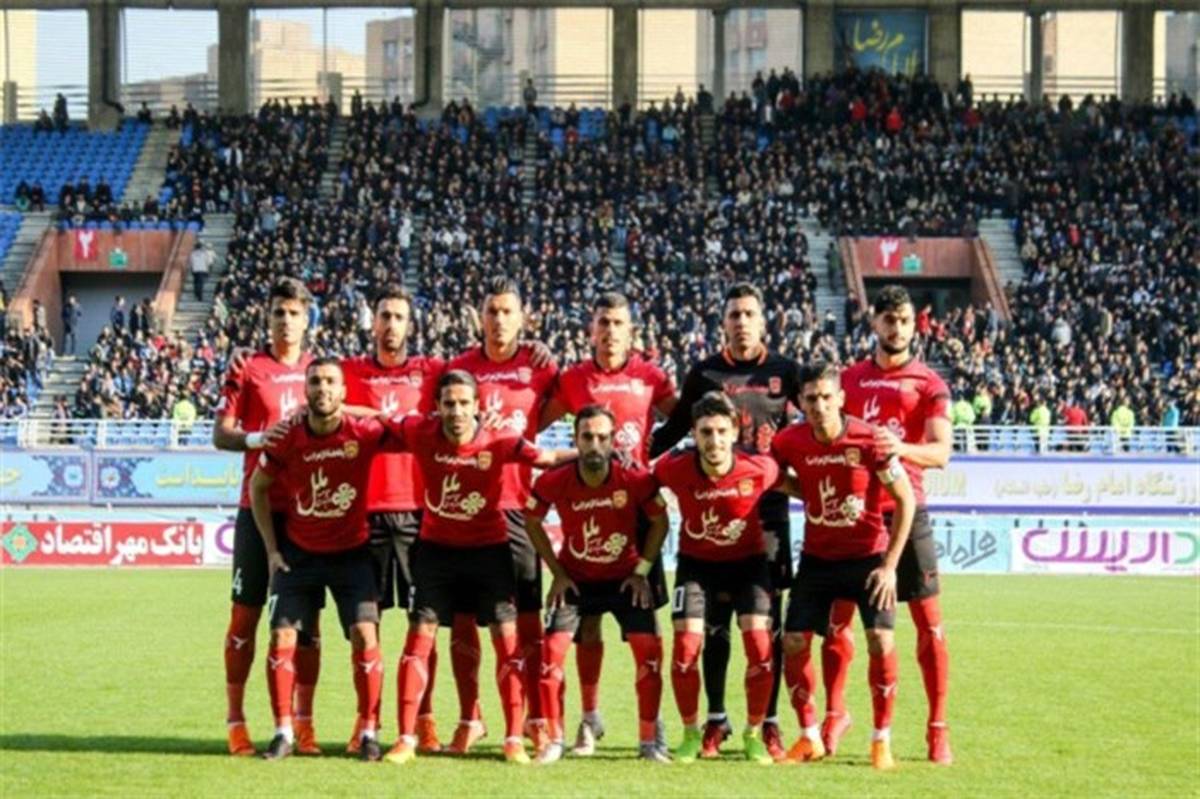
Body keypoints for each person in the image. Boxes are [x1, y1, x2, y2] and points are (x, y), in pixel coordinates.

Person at [383, 370, 575, 765]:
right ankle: (405, 739)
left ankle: (513, 739)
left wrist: (599, 451)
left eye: (463, 403)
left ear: (477, 407)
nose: (456, 411)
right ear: (437, 408)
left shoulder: (500, 439)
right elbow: (377, 419)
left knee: (507, 642)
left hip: (490, 552)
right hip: (436, 553)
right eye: (448, 404)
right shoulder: (420, 431)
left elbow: (547, 458)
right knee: (418, 640)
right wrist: (336, 407)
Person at [650, 283, 802, 760]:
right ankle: (714, 720)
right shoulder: (704, 373)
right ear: (724, 324)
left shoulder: (786, 371)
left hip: (767, 511)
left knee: (765, 628)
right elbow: (675, 428)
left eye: (749, 314)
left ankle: (768, 723)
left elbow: (817, 421)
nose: (741, 322)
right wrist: (630, 457)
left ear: (763, 321)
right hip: (711, 507)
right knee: (711, 627)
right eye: (734, 315)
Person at [536, 292, 677, 754]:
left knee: (645, 620)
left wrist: (656, 463)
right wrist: (561, 458)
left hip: (637, 506)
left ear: (630, 330)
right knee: (587, 625)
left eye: (618, 323)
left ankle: (652, 723)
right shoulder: (574, 379)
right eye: (603, 323)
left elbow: (683, 420)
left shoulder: (652, 376)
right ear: (591, 330)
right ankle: (589, 717)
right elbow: (532, 424)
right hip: (588, 497)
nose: (610, 331)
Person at [830, 284, 954, 764]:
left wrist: (898, 448)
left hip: (907, 510)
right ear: (874, 322)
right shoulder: (848, 380)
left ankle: (937, 727)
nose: (897, 328)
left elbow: (941, 453)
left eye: (904, 320)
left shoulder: (929, 384)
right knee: (838, 621)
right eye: (889, 320)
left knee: (929, 625)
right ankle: (836, 715)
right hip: (856, 514)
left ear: (913, 324)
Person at [771, 362, 916, 770]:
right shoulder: (788, 441)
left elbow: (905, 499)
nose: (819, 406)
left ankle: (881, 740)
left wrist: (890, 567)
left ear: (841, 398)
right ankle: (809, 736)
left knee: (880, 641)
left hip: (868, 559)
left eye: (825, 397)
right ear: (800, 402)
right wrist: (810, 493)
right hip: (817, 560)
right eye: (810, 399)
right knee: (794, 642)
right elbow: (774, 477)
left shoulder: (871, 440)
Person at [250, 358, 393, 761]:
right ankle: (283, 733)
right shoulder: (287, 437)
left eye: (331, 382)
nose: (323, 388)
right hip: (299, 555)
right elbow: (257, 488)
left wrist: (351, 410)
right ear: (305, 390)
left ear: (343, 391)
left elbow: (389, 421)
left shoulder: (362, 432)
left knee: (366, 636)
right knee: (282, 638)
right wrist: (272, 550)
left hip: (352, 554)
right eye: (315, 381)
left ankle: (368, 733)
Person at [446, 277, 559, 753]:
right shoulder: (459, 369)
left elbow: (559, 410)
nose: (498, 319)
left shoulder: (540, 368)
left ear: (522, 317)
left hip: (518, 510)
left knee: (527, 622)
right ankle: (470, 717)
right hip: (468, 511)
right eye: (491, 311)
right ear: (480, 315)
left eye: (507, 311)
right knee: (463, 622)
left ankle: (534, 717)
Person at [525, 405, 670, 764]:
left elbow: (660, 522)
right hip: (577, 582)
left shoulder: (633, 479)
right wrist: (557, 573)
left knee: (649, 652)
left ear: (613, 440)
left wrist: (642, 571)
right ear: (575, 440)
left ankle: (649, 742)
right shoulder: (554, 481)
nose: (594, 445)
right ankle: (558, 740)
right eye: (587, 437)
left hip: (625, 580)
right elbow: (531, 520)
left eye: (602, 438)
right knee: (551, 654)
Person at [213, 277, 320, 757]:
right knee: (245, 616)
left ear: (307, 319)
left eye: (294, 313)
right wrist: (259, 439)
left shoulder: (322, 372)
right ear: (268, 317)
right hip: (255, 511)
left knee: (306, 624)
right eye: (279, 312)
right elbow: (221, 434)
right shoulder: (248, 367)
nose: (286, 321)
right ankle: (236, 722)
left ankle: (303, 725)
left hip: (308, 513)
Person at [340, 285, 446, 754]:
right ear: (373, 322)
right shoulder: (350, 371)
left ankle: (425, 718)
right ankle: (368, 719)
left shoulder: (431, 372)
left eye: (399, 317)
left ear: (410, 324)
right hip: (365, 513)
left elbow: (474, 386)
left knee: (424, 623)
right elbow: (326, 401)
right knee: (366, 625)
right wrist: (382, 415)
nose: (390, 325)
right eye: (384, 316)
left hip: (419, 513)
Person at [654, 392, 781, 765]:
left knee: (760, 647)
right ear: (693, 433)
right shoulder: (674, 467)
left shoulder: (759, 468)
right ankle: (691, 733)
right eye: (706, 432)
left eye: (722, 431)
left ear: (735, 432)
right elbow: (640, 485)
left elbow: (797, 482)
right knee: (684, 652)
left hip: (749, 566)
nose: (714, 440)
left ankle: (753, 734)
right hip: (696, 567)